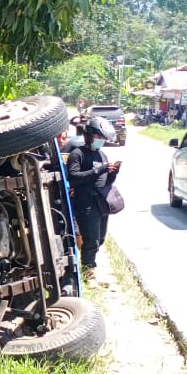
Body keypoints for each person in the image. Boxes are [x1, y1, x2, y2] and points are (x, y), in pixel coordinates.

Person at [66, 116, 120, 281]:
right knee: (91, 239)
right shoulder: (78, 154)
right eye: (98, 137)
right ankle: (88, 273)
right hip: (85, 203)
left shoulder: (102, 155)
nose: (101, 141)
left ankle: (88, 266)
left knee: (100, 238)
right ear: (89, 136)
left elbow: (105, 181)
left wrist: (112, 173)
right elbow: (73, 177)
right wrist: (99, 170)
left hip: (100, 203)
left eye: (103, 139)